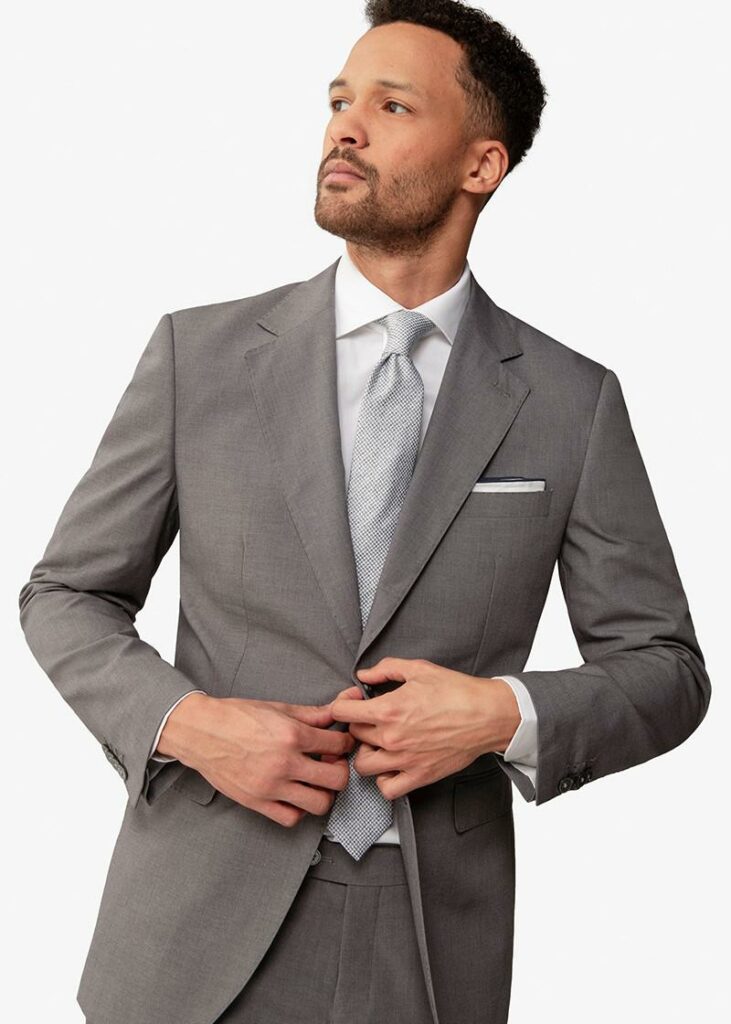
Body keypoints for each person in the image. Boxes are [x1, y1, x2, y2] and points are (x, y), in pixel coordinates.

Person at [18, 2, 711, 1023]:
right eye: (339, 100)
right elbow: (67, 593)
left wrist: (501, 714)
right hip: (192, 926)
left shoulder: (571, 400)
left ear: (481, 164)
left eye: (391, 106)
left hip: (427, 943)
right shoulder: (197, 358)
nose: (344, 126)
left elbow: (665, 667)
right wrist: (189, 725)